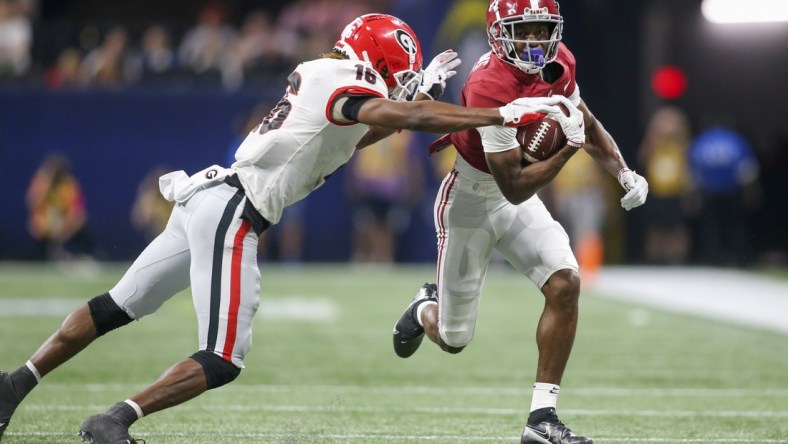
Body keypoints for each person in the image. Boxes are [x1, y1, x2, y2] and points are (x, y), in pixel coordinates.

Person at [0, 13, 576, 443]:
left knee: (114, 307)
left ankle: (16, 383)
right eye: (395, 74)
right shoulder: (343, 82)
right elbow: (402, 117)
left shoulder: (322, 78)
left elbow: (366, 130)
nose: (398, 84)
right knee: (223, 357)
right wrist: (501, 112)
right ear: (378, 62)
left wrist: (419, 87)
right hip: (233, 213)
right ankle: (115, 420)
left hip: (207, 198)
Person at [390, 2, 649, 444]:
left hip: (515, 199)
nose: (533, 41)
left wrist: (622, 170)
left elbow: (582, 116)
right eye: (522, 31)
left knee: (566, 281)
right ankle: (423, 308)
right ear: (497, 32)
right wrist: (569, 148)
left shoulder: (560, 61)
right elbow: (513, 185)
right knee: (454, 339)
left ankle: (541, 419)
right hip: (471, 200)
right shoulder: (489, 85)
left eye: (539, 30)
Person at [687, 122, 760, 266]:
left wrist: (693, 192)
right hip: (732, 189)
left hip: (710, 190)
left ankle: (712, 258)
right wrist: (751, 191)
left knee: (711, 226)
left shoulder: (703, 140)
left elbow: (693, 169)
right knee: (735, 226)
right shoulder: (736, 139)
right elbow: (747, 169)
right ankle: (741, 257)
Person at [25, 153, 95, 261]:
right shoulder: (41, 183)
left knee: (83, 225)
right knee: (36, 228)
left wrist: (65, 230)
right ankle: (41, 256)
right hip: (45, 227)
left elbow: (77, 213)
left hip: (64, 225)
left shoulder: (69, 185)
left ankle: (84, 255)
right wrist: (45, 184)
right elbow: (33, 203)